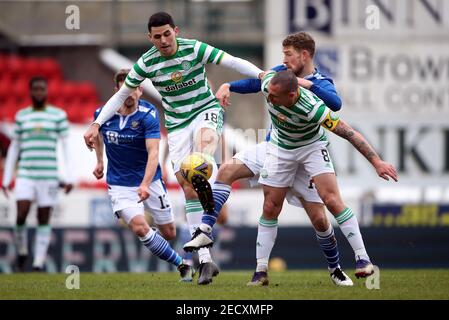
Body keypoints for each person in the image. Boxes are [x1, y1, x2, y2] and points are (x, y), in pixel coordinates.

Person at [83, 12, 263, 285]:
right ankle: (204, 260)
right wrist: (96, 123)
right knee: (187, 187)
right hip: (177, 125)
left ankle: (207, 176)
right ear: (150, 38)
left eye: (167, 34)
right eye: (157, 36)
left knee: (202, 149)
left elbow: (232, 61)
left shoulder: (194, 49)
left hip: (205, 110)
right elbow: (120, 95)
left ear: (175, 31)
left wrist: (261, 74)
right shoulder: (146, 63)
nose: (164, 40)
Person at [184, 32, 355, 286]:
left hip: (305, 157)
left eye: (288, 54)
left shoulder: (320, 82)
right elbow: (257, 81)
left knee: (319, 218)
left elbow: (335, 103)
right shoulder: (278, 73)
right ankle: (212, 235)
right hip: (274, 149)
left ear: (304, 55)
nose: (283, 60)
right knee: (230, 174)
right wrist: (229, 85)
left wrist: (307, 85)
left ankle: (335, 268)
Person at [247, 70, 397, 285]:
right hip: (280, 149)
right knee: (270, 206)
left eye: (274, 96)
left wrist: (377, 162)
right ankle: (261, 271)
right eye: (269, 93)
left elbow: (349, 133)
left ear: (291, 95)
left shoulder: (313, 110)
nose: (269, 98)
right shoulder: (269, 86)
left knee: (331, 202)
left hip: (311, 148)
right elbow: (260, 75)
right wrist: (228, 87)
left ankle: (362, 259)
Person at [92, 69, 193, 281]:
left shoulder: (149, 115)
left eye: (133, 89)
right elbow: (98, 136)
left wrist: (146, 184)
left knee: (169, 233)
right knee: (139, 228)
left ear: (140, 90)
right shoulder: (102, 114)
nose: (129, 94)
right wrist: (100, 161)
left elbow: (153, 152)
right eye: (124, 90)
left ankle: (155, 235)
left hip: (151, 180)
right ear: (117, 91)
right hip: (120, 185)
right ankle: (181, 264)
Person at [1, 76, 74, 272]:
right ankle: (23, 250)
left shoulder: (58, 115)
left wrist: (69, 177)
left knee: (43, 218)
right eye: (36, 89)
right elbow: (14, 148)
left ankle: (38, 263)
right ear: (31, 91)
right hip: (26, 174)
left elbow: (66, 148)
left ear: (47, 91)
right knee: (21, 215)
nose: (39, 92)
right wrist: (7, 178)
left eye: (42, 89)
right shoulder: (22, 116)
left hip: (49, 176)